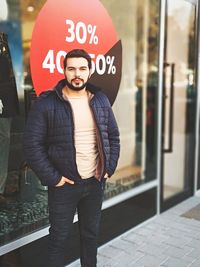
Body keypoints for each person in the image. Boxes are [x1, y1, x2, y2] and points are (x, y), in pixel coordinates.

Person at [23, 49, 120, 267]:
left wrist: (108, 168)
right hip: (64, 185)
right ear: (64, 71)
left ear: (90, 71)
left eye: (82, 68)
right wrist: (54, 178)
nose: (77, 73)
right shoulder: (47, 103)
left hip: (95, 182)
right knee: (58, 240)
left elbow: (113, 136)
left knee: (90, 236)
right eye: (72, 68)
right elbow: (31, 145)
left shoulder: (100, 100)